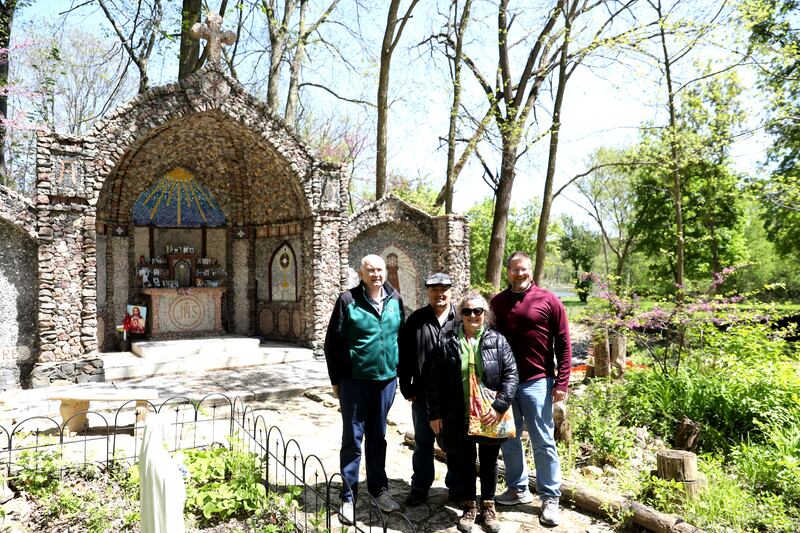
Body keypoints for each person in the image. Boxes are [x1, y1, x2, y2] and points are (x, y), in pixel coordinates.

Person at [427, 290, 518, 533]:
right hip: (458, 414)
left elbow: (511, 376)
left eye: (478, 311)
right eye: (467, 311)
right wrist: (435, 414)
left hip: (490, 415)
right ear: (460, 315)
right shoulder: (446, 343)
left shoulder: (498, 341)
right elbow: (433, 381)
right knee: (465, 461)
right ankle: (469, 506)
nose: (473, 315)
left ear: (486, 314)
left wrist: (499, 407)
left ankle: (488, 506)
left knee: (489, 462)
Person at [491, 251, 571, 527]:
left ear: (530, 271)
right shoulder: (498, 303)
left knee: (543, 440)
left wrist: (562, 382)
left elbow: (563, 342)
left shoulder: (548, 300)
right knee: (509, 439)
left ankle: (550, 497)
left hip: (537, 381)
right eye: (514, 269)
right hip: (505, 383)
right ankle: (518, 488)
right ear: (508, 271)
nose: (519, 273)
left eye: (523, 269)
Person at [324, 254, 405, 525]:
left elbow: (400, 340)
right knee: (353, 438)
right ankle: (348, 496)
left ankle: (378, 489)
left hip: (385, 382)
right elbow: (332, 343)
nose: (376, 274)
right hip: (355, 382)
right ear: (361, 273)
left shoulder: (395, 300)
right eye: (370, 270)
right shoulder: (348, 300)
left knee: (378, 436)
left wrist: (401, 377)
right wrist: (337, 381)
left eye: (379, 269)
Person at [398, 272, 457, 506]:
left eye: (444, 289)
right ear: (428, 292)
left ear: (451, 290)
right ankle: (420, 487)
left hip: (454, 395)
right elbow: (405, 355)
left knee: (454, 443)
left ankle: (456, 487)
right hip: (423, 394)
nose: (439, 293)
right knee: (423, 443)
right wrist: (405, 384)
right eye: (434, 289)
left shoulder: (461, 318)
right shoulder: (416, 320)